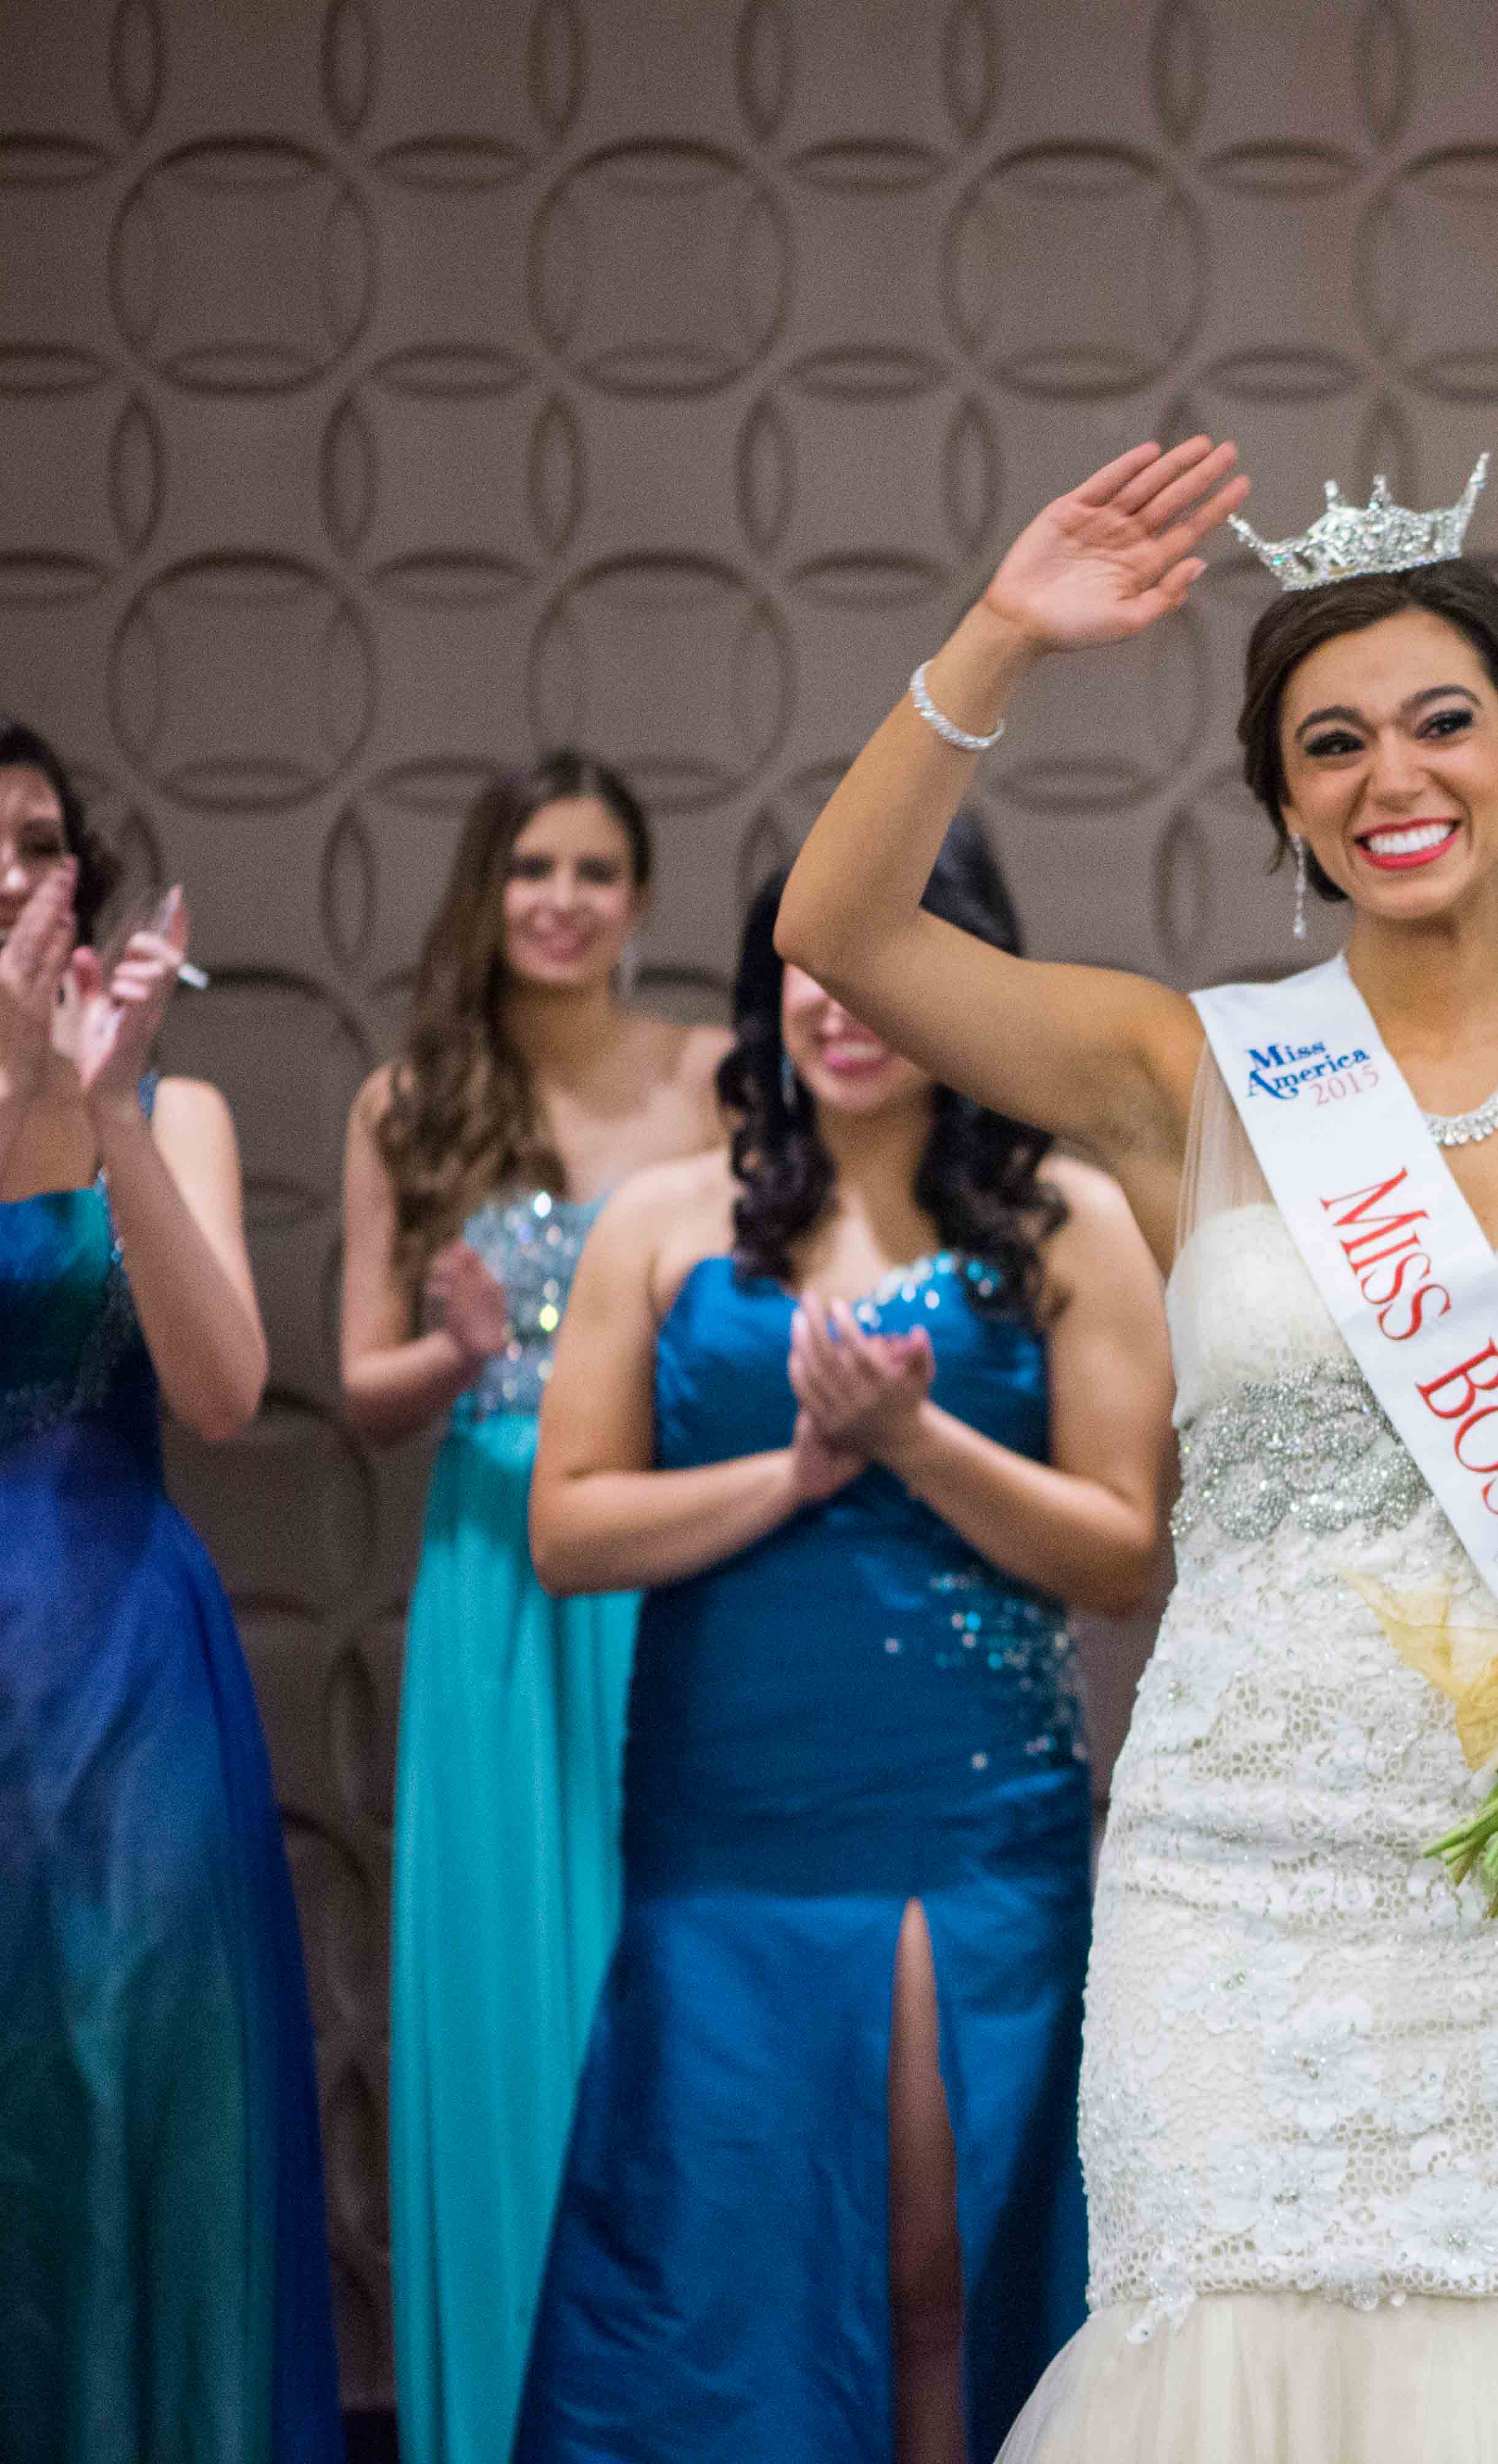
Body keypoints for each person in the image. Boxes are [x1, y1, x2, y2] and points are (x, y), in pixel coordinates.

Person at [773, 436, 1498, 2461]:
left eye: (1445, 723)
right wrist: (1005, 633)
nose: (1394, 775)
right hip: (1236, 1877)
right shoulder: (1193, 1070)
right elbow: (844, 926)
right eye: (1332, 743)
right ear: (1285, 805)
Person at [514, 828, 1165, 2464]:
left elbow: (1124, 1553)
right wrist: (799, 1468)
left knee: (945, 2268)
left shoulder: (1070, 1222)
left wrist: (918, 1445)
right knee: (711, 2268)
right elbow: (569, 1527)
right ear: (765, 993)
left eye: (889, 961)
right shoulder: (662, 1224)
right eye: (811, 965)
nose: (843, 1003)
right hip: (724, 1824)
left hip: (970, 1825)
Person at [339, 750, 725, 2464]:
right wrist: (461, 1349)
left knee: (684, 1980)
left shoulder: (720, 1078)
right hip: (500, 1582)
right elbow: (358, 1388)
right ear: (487, 897)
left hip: (671, 1561)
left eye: (591, 870)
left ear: (638, 901)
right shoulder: (408, 1100)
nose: (559, 900)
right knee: (517, 2001)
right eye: (528, 870)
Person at [0, 722, 341, 2462]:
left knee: (146, 2131)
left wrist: (106, 1111)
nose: (8, 871)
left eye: (37, 839)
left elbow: (220, 1394)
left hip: (123, 1688)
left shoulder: (171, 1106)